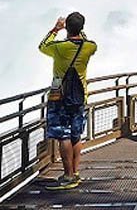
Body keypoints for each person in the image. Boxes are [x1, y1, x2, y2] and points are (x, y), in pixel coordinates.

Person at [39, 12, 97, 191]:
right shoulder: (90, 46)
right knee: (76, 134)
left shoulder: (59, 47)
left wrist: (56, 29)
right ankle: (75, 171)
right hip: (80, 96)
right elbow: (85, 40)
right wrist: (79, 30)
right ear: (82, 27)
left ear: (67, 27)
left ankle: (68, 176)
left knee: (63, 135)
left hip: (60, 97)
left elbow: (42, 46)